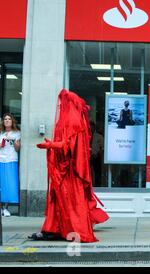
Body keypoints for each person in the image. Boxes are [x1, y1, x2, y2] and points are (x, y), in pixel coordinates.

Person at [29, 89, 109, 242]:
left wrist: (51, 145)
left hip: (69, 172)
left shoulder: (73, 122)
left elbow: (68, 146)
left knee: (69, 200)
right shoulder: (73, 121)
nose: (60, 106)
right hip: (63, 170)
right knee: (59, 199)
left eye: (62, 103)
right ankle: (54, 228)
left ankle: (68, 229)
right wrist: (51, 145)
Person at [0, 113, 21, 217]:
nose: (7, 121)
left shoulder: (17, 133)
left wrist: (17, 144)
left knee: (9, 185)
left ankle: (6, 207)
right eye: (5, 119)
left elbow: (17, 149)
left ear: (12, 121)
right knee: (1, 185)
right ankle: (1, 207)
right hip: (1, 159)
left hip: (11, 160)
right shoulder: (1, 133)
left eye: (9, 119)